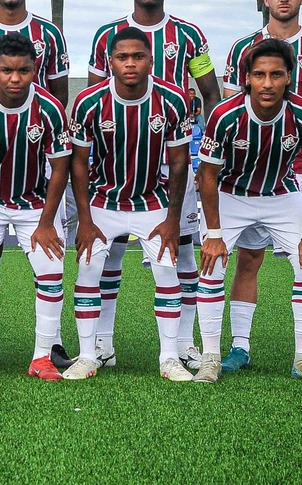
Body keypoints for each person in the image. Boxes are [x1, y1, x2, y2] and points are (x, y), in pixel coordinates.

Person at [220, 0, 302, 374]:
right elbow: (233, 108)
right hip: (255, 172)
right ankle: (239, 347)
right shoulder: (242, 47)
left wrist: (289, 141)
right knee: (249, 259)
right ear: (264, 1)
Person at [86, 0, 221, 371]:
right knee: (109, 253)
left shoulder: (189, 34)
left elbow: (210, 93)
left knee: (183, 252)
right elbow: (94, 100)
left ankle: (184, 343)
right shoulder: (106, 34)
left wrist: (209, 152)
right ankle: (102, 343)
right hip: (120, 159)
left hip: (173, 156)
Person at [194, 38, 302, 384]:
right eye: (259, 74)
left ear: (289, 77)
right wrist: (214, 235)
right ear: (247, 78)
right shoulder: (224, 115)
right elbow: (207, 176)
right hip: (231, 194)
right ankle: (210, 358)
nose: (267, 83)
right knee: (212, 265)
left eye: (276, 74)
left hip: (281, 194)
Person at [69, 27, 193, 382]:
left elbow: (180, 163)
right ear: (110, 62)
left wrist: (172, 220)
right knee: (88, 271)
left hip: (152, 201)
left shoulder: (173, 100)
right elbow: (78, 162)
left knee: (167, 271)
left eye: (138, 56)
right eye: (122, 57)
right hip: (102, 201)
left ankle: (169, 358)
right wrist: (85, 219)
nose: (130, 64)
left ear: (151, 60)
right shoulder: (89, 101)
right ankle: (89, 355)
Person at [0, 0, 71, 367]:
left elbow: (61, 168)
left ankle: (43, 357)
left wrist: (46, 222)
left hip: (36, 202)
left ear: (35, 69)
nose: (15, 78)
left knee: (51, 272)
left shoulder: (50, 109)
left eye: (23, 70)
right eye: (7, 70)